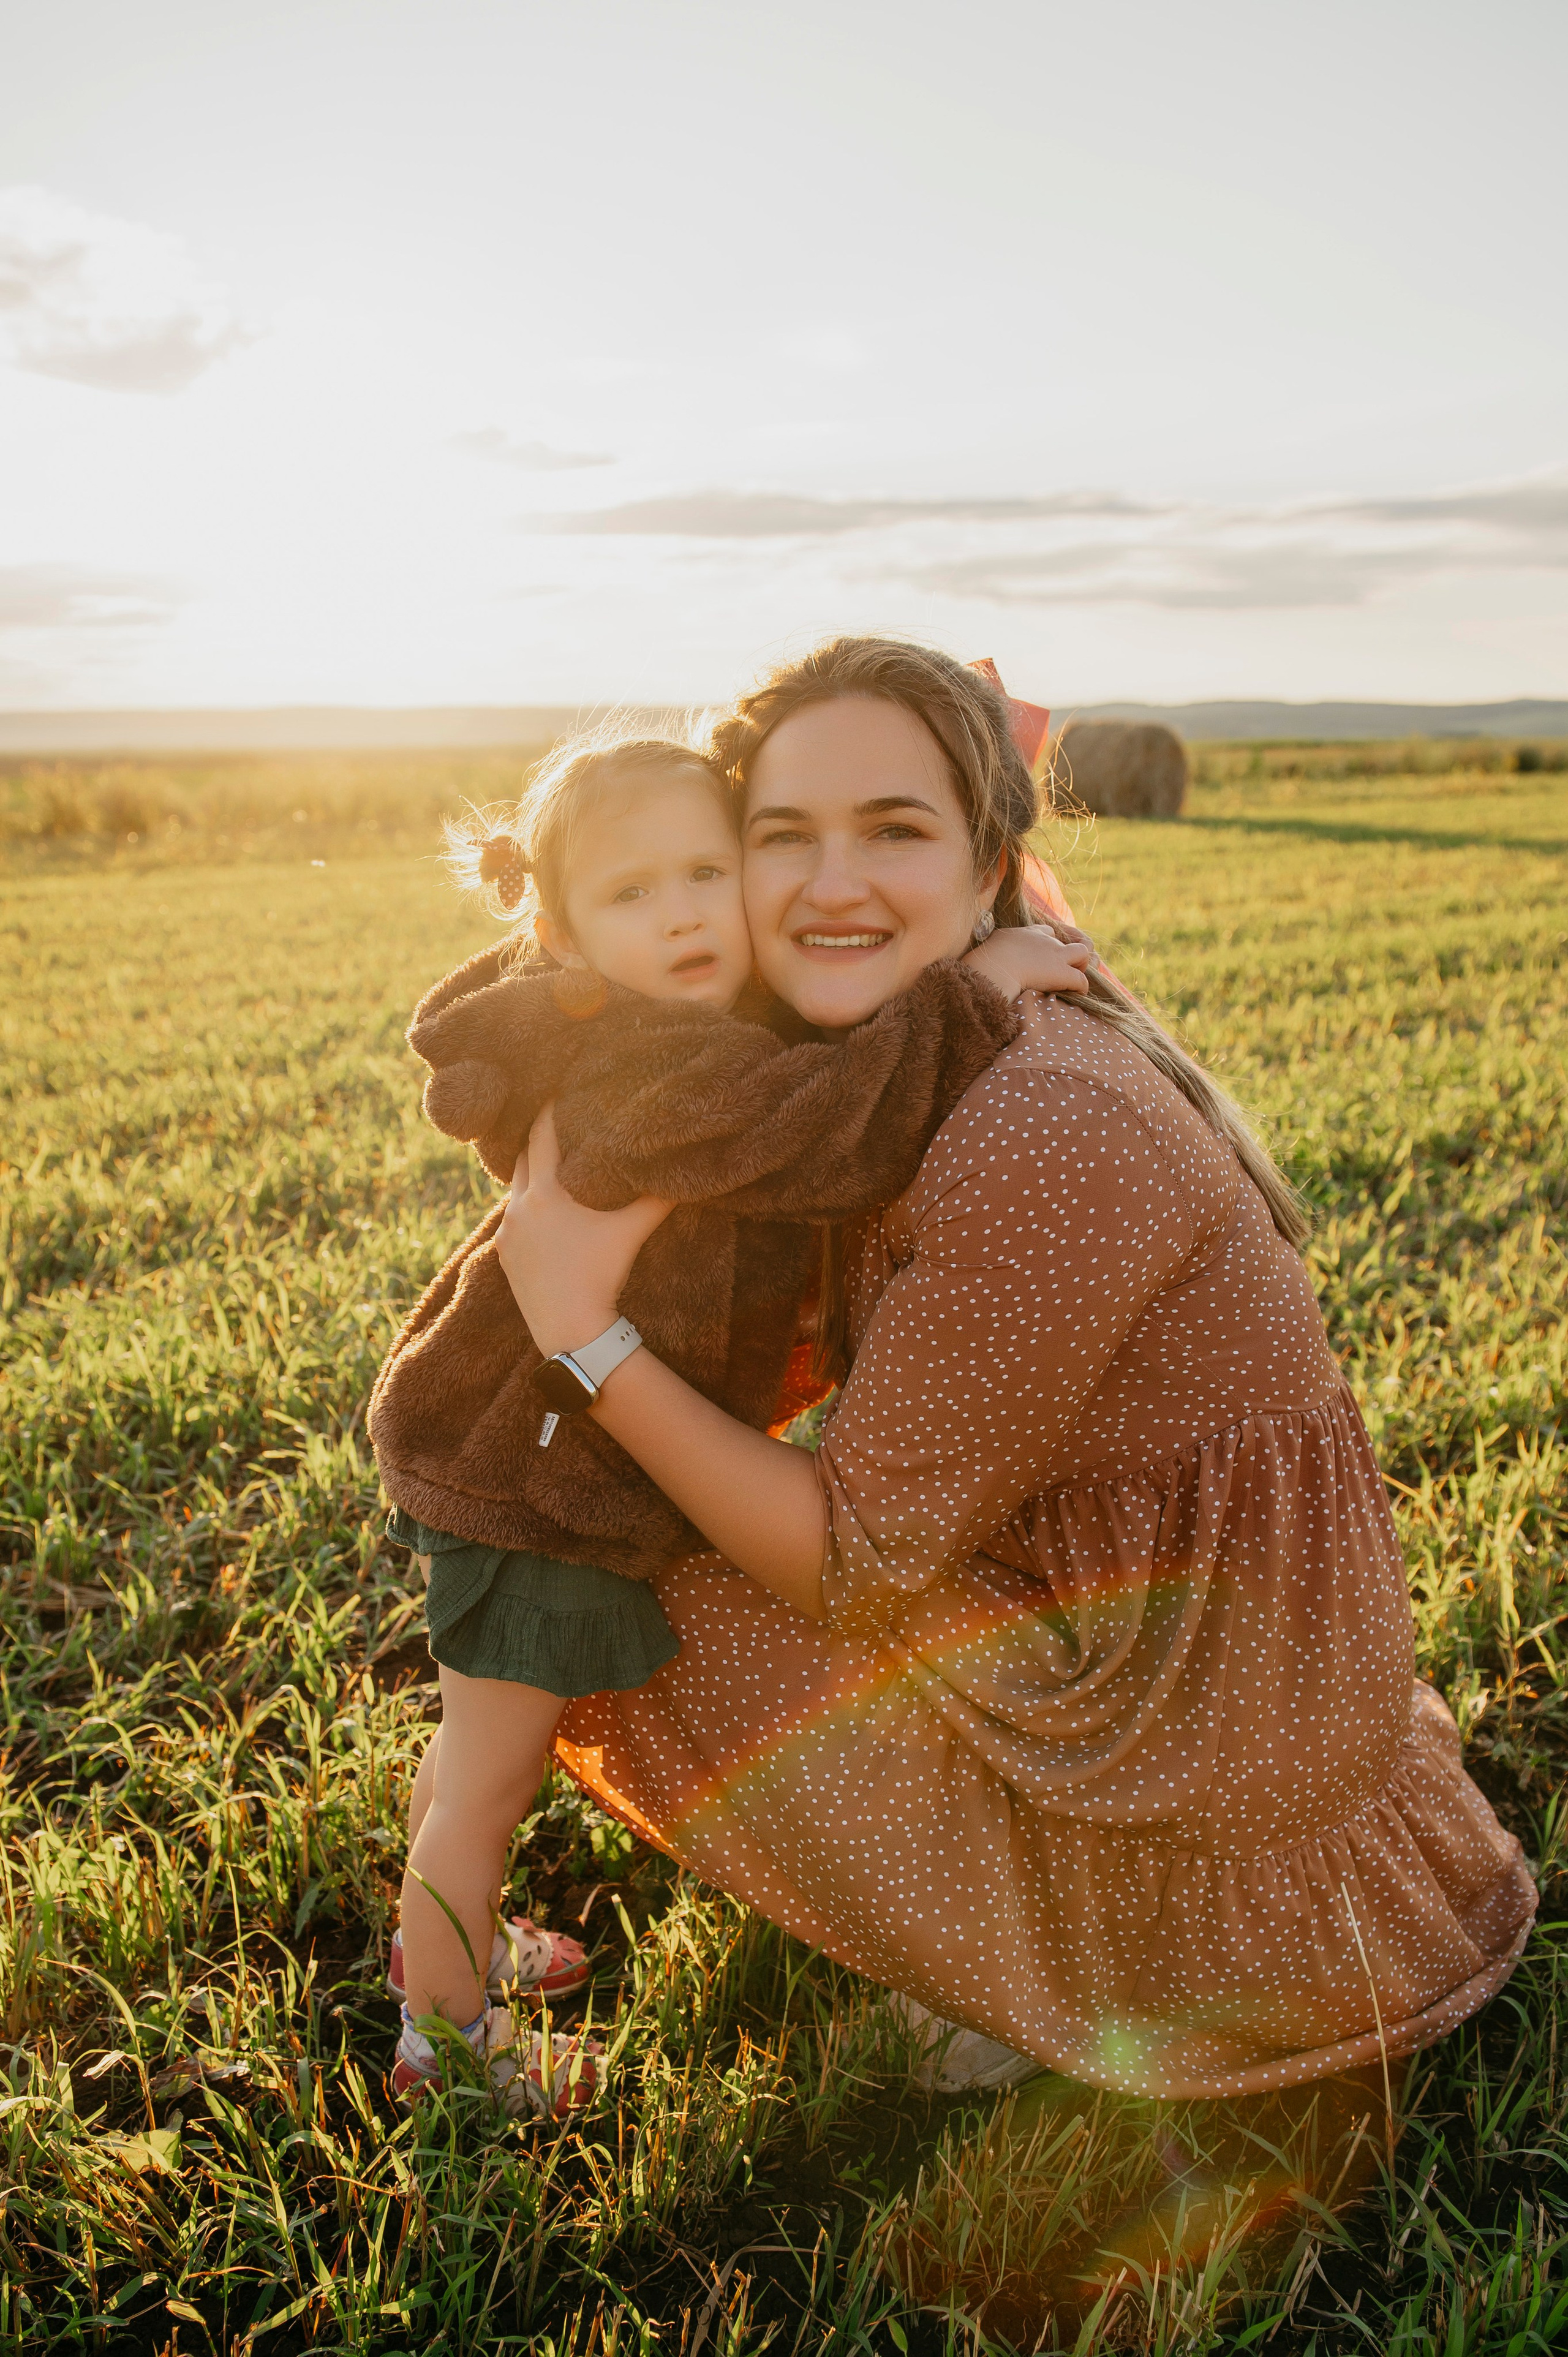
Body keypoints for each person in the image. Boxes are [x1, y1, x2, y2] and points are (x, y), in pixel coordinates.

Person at [496, 637, 1537, 2102]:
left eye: (894, 831)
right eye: (778, 838)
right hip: (1195, 1681)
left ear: (992, 862)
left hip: (1177, 1770)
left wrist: (580, 1333)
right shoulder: (945, 1057)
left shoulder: (1040, 1128)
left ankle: (1048, 1969)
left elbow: (852, 1562)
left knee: (604, 1557)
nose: (826, 884)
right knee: (649, 1494)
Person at [375, 721, 1093, 2110]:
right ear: (565, 929)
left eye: (705, 872)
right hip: (530, 1483)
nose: (685, 913)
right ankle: (445, 2049)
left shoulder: (660, 1027)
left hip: (513, 1454)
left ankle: (439, 1947)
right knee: (486, 1781)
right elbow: (837, 1122)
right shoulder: (653, 1066)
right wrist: (982, 982)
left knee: (477, 1749)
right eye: (632, 895)